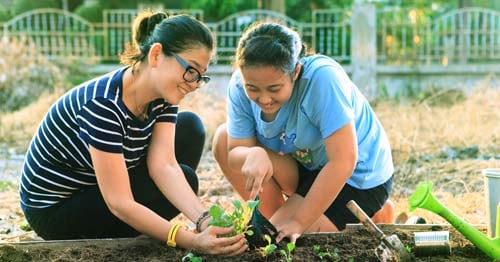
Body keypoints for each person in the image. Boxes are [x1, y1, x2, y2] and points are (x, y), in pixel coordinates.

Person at [19, 11, 247, 256]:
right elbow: (119, 202)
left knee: (189, 130)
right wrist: (188, 240)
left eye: (200, 76)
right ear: (156, 54)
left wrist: (204, 220)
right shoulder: (103, 104)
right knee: (186, 178)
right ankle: (138, 229)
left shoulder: (163, 96)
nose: (193, 84)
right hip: (57, 211)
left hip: (98, 187)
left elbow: (165, 166)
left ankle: (141, 227)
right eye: (190, 71)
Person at [212, 22, 395, 244]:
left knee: (290, 239)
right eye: (253, 88)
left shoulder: (323, 79)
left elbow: (344, 161)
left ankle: (375, 213)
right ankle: (281, 218)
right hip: (307, 164)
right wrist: (252, 154)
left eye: (274, 89)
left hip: (357, 175)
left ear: (296, 71)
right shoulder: (239, 87)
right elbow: (233, 153)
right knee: (223, 138)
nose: (264, 99)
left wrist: (299, 222)